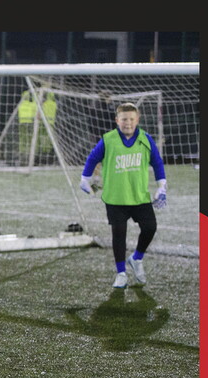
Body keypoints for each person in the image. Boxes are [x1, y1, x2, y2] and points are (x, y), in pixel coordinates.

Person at [79, 102, 168, 289]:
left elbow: (157, 163)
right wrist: (85, 178)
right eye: (124, 119)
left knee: (150, 227)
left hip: (139, 197)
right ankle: (121, 273)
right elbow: (93, 158)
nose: (128, 123)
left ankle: (136, 258)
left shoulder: (146, 139)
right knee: (119, 234)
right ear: (117, 120)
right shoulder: (108, 140)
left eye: (131, 119)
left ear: (138, 120)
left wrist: (162, 186)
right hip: (115, 198)